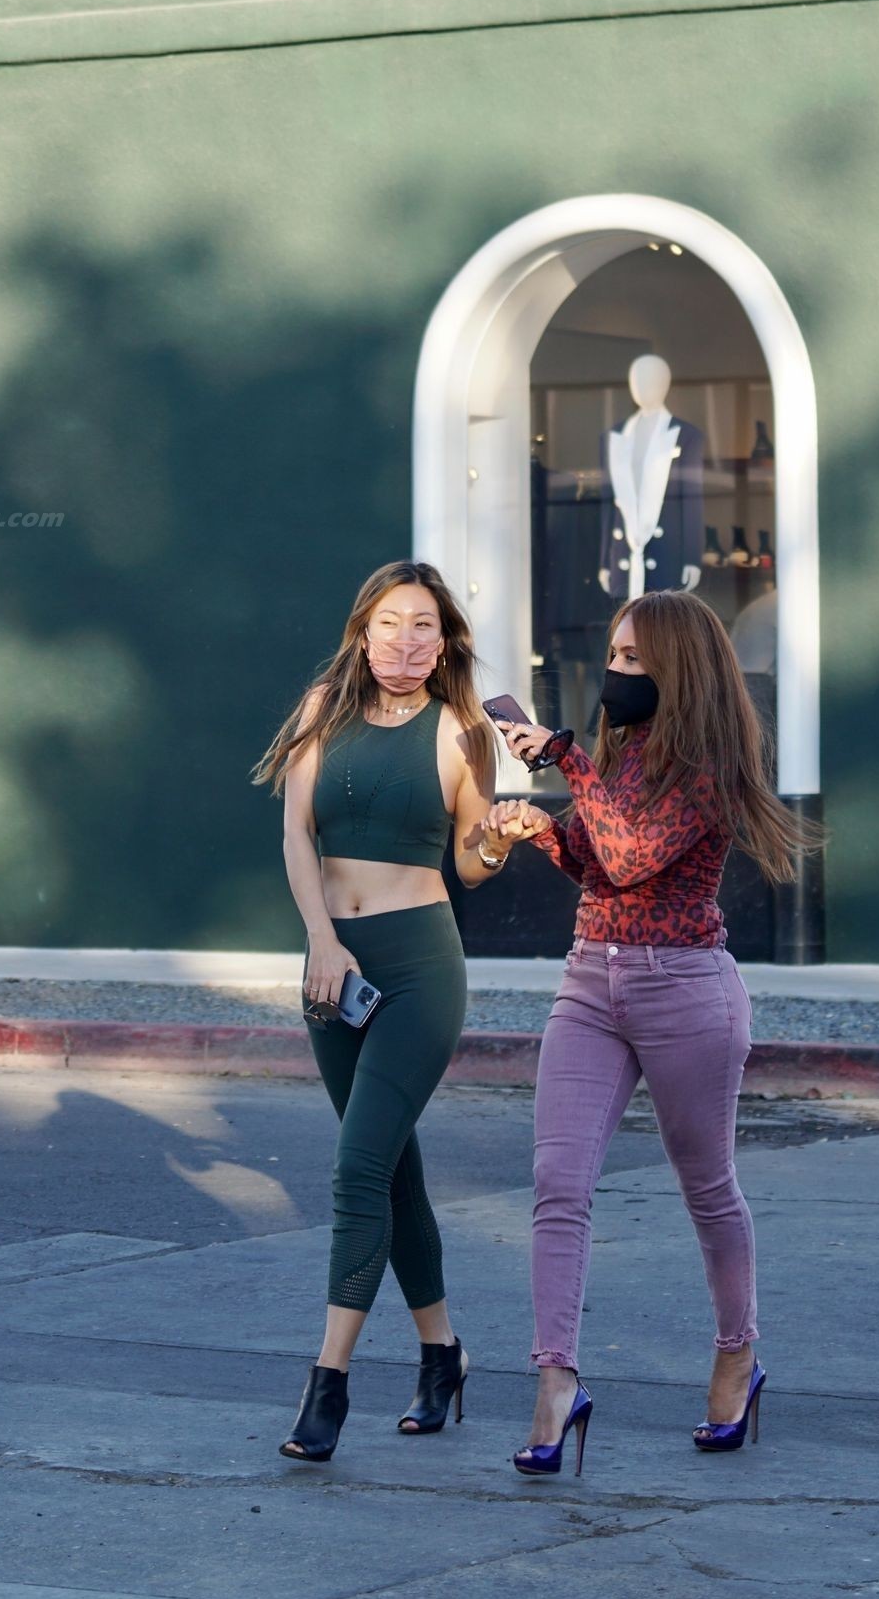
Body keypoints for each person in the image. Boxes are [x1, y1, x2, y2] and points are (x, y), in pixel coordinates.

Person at [483, 589, 813, 1474]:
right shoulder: (625, 755)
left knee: (708, 1188)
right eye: (614, 655)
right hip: (591, 979)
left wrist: (563, 757)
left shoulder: (710, 767)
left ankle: (737, 1356)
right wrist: (541, 832)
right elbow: (599, 864)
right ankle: (555, 1381)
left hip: (686, 990)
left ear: (678, 668)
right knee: (558, 1183)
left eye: (633, 659)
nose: (616, 671)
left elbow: (633, 858)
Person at [253, 559, 511, 1463]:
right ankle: (443, 1355)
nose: (406, 640)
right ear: (364, 633)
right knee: (391, 1172)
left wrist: (497, 841)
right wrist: (322, 941)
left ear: (444, 642)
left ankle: (327, 1384)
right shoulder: (322, 709)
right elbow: (297, 833)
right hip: (335, 968)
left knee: (357, 1167)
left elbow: (471, 863)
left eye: (424, 626)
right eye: (391, 623)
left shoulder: (464, 731)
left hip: (418, 968)